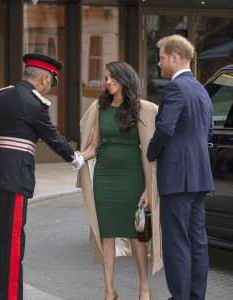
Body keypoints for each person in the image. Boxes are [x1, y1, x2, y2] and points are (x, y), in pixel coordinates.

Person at [0, 53, 84, 300]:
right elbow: (53, 138)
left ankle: (0, 295)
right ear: (44, 78)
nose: (49, 89)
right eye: (50, 83)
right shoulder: (34, 104)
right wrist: (75, 159)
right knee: (12, 245)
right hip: (15, 181)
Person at [76, 61, 163, 300]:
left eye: (112, 77)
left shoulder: (143, 109)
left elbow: (153, 150)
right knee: (107, 234)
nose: (108, 82)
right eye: (105, 78)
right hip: (105, 178)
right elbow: (93, 146)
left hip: (134, 177)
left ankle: (144, 288)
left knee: (136, 234)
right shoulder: (100, 107)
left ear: (126, 79)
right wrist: (78, 157)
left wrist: (148, 187)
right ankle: (108, 291)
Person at [147, 34, 214, 300]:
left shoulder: (175, 88)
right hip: (199, 177)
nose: (160, 63)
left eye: (162, 57)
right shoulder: (201, 89)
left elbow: (164, 127)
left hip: (177, 178)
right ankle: (196, 296)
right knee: (197, 242)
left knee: (177, 244)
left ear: (175, 57)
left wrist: (152, 153)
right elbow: (207, 133)